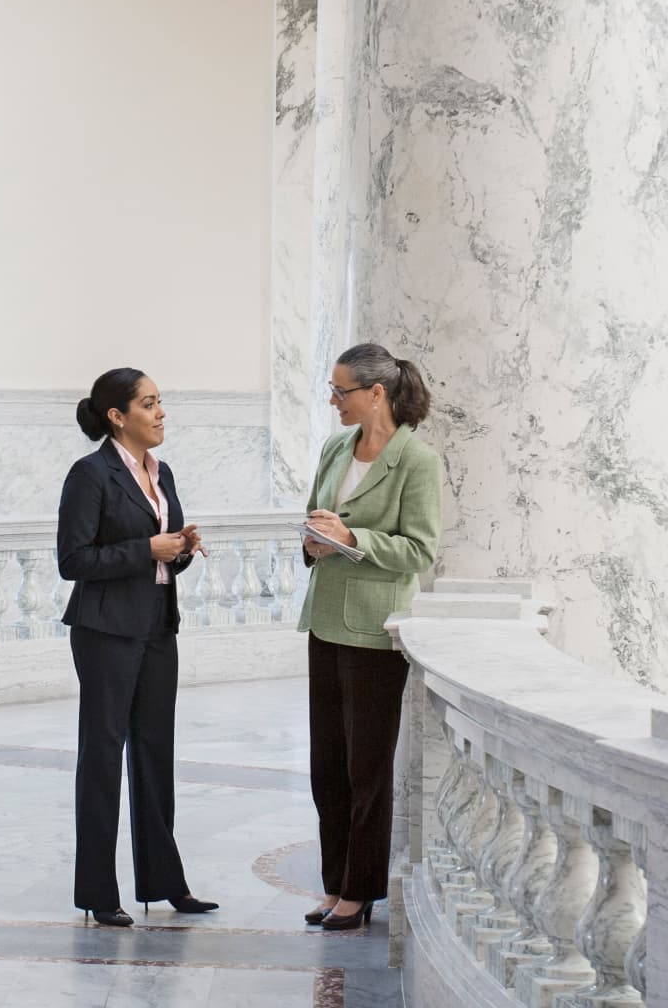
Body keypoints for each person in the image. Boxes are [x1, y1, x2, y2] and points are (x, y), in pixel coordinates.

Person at [56, 367, 219, 927]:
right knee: (102, 757)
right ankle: (99, 894)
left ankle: (164, 883)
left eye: (161, 402)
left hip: (156, 627)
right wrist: (146, 547)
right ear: (117, 417)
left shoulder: (162, 471)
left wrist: (179, 549)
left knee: (155, 755)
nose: (161, 413)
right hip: (104, 633)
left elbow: (158, 552)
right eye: (149, 404)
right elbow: (72, 561)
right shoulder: (90, 474)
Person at [297, 343, 442, 931]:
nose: (332, 400)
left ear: (375, 393)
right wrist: (313, 537)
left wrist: (354, 540)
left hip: (375, 633)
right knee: (325, 766)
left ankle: (360, 892)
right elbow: (315, 513)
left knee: (367, 769)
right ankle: (334, 884)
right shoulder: (336, 446)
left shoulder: (417, 461)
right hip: (325, 620)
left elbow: (420, 551)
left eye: (341, 391)